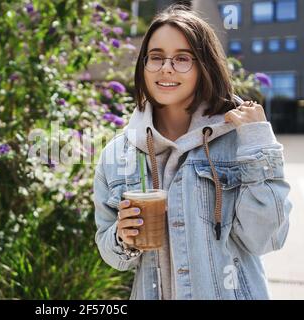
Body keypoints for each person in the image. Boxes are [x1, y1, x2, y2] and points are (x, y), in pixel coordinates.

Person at [93, 4, 292, 300]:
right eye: (156, 57)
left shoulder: (240, 139)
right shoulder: (117, 154)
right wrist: (123, 237)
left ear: (204, 65)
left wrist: (258, 141)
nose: (166, 67)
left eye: (182, 58)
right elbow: (114, 255)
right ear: (143, 66)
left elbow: (265, 238)